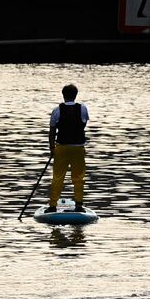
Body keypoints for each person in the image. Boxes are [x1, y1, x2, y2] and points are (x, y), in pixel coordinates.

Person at [48, 83, 89, 211]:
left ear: (63, 95)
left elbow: (52, 131)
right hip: (78, 148)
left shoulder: (57, 110)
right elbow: (83, 124)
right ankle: (79, 205)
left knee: (58, 177)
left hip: (61, 147)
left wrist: (52, 148)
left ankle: (53, 205)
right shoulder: (83, 108)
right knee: (78, 177)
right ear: (75, 95)